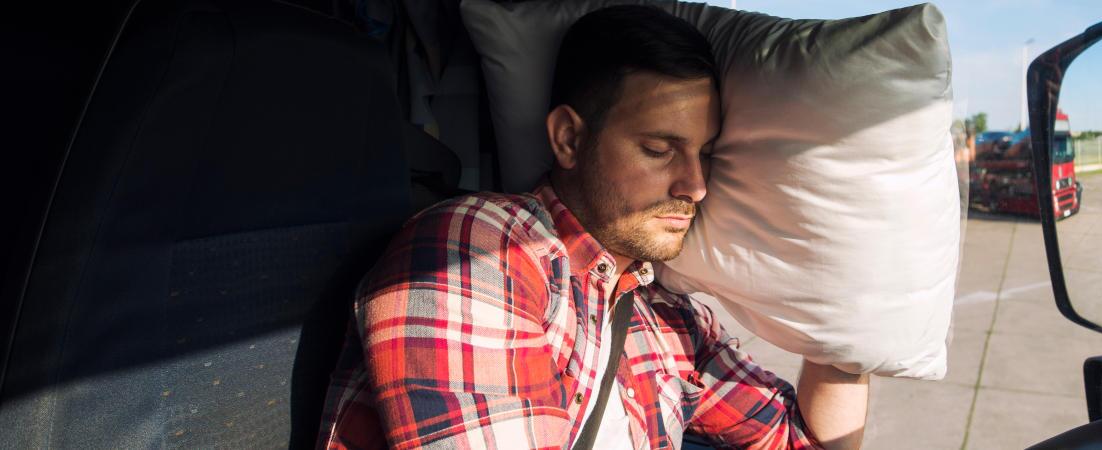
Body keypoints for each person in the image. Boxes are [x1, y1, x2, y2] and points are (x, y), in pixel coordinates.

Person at [317, 5, 869, 449]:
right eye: (658, 149)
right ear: (569, 139)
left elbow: (803, 441)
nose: (695, 185)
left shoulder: (672, 319)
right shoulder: (479, 247)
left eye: (705, 154)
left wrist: (846, 328)